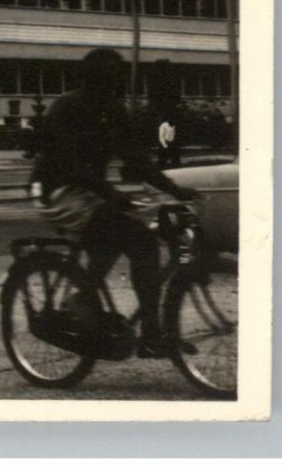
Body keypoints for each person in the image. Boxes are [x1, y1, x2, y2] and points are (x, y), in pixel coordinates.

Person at [31, 48, 201, 358]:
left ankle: (85, 297)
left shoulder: (114, 110)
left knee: (119, 234)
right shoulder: (67, 108)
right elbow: (65, 162)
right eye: (113, 77)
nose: (118, 84)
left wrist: (175, 190)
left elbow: (135, 159)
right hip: (58, 190)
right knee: (142, 241)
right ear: (95, 79)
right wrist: (110, 193)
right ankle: (151, 334)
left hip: (91, 191)